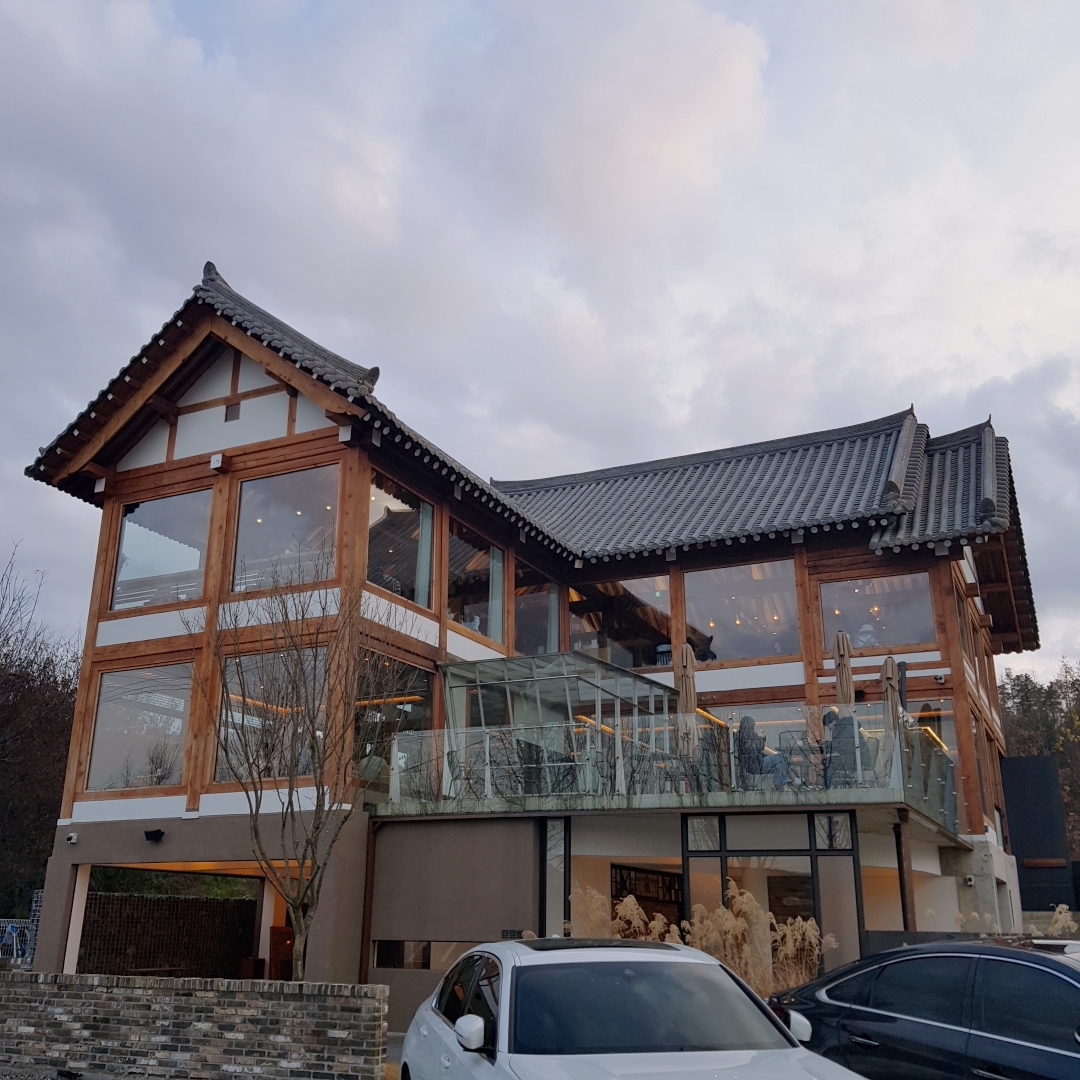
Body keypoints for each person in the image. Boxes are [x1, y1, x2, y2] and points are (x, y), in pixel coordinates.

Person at [735, 714, 788, 789]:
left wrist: (768, 756)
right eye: (752, 726)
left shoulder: (749, 735)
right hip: (753, 765)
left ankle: (780, 787)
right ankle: (786, 783)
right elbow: (754, 748)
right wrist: (760, 738)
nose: (753, 728)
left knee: (779, 766)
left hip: (757, 762)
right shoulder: (741, 736)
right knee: (781, 757)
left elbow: (758, 751)